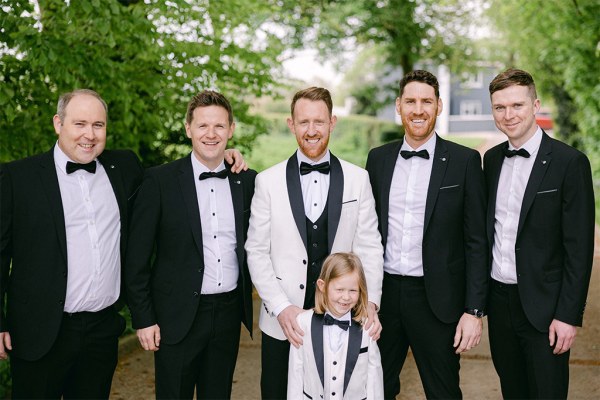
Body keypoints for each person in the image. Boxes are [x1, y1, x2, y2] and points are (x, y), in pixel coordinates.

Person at [0, 89, 144, 399]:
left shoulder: (126, 168)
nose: (89, 135)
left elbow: (172, 185)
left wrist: (221, 161)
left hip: (101, 332)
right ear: (58, 123)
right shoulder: (17, 178)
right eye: (79, 124)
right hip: (39, 332)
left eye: (98, 125)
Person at [245, 86, 384, 399]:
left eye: (319, 122)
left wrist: (369, 304)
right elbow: (256, 251)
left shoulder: (358, 179)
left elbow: (370, 247)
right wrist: (281, 308)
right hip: (284, 321)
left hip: (342, 315)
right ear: (291, 124)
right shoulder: (267, 181)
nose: (311, 130)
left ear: (332, 123)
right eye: (303, 122)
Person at [124, 90, 256, 399]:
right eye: (202, 126)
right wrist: (144, 319)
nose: (211, 134)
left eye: (219, 126)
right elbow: (137, 258)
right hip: (175, 315)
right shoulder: (158, 182)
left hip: (227, 313)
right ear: (188, 129)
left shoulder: (247, 181)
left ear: (231, 129)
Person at [365, 70, 489, 399]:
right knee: (376, 386)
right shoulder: (378, 159)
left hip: (438, 301)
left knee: (443, 391)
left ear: (439, 106)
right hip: (384, 297)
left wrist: (474, 310)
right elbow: (366, 231)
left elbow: (477, 241)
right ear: (398, 106)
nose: (418, 109)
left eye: (426, 101)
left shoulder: (464, 161)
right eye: (410, 101)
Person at [484, 68, 595, 399]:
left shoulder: (569, 162)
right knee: (513, 392)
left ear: (536, 105)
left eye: (517, 105)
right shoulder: (490, 161)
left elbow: (579, 247)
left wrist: (567, 315)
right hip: (500, 304)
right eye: (500, 107)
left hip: (546, 310)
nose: (508, 115)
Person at [288, 252, 384, 400]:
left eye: (353, 290)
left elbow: (374, 378)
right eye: (339, 290)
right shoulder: (303, 323)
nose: (346, 297)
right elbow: (296, 374)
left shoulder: (367, 327)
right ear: (322, 286)